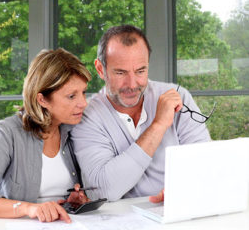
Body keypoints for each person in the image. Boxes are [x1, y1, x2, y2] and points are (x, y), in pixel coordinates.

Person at [71, 25, 211, 202]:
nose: (132, 84)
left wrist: (180, 192)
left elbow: (206, 164)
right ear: (100, 69)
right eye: (120, 72)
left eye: (140, 71)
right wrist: (158, 125)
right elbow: (103, 191)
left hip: (181, 210)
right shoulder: (87, 116)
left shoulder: (177, 96)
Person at [0, 48, 92, 223]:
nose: (83, 103)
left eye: (83, 92)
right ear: (42, 100)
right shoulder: (6, 134)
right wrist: (29, 208)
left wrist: (73, 202)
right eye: (71, 96)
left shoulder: (75, 131)